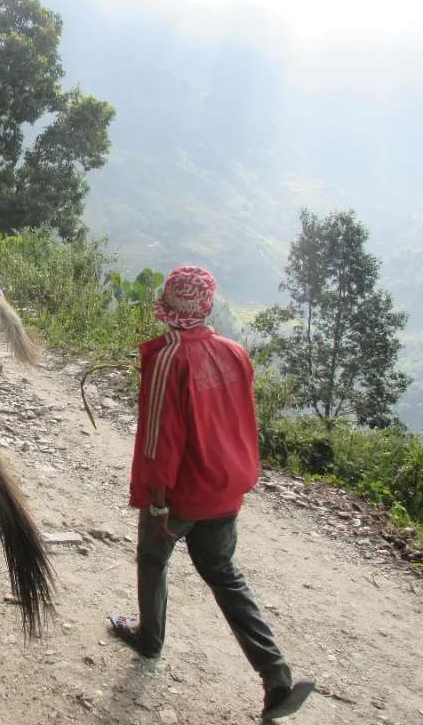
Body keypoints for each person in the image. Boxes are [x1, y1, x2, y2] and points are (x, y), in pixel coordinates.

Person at [108, 265, 314, 722]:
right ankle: (276, 676)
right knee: (224, 575)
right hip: (226, 487)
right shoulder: (235, 352)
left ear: (167, 305)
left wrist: (159, 502)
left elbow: (162, 440)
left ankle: (149, 638)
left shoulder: (168, 357)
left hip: (182, 494)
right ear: (206, 305)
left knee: (153, 559)